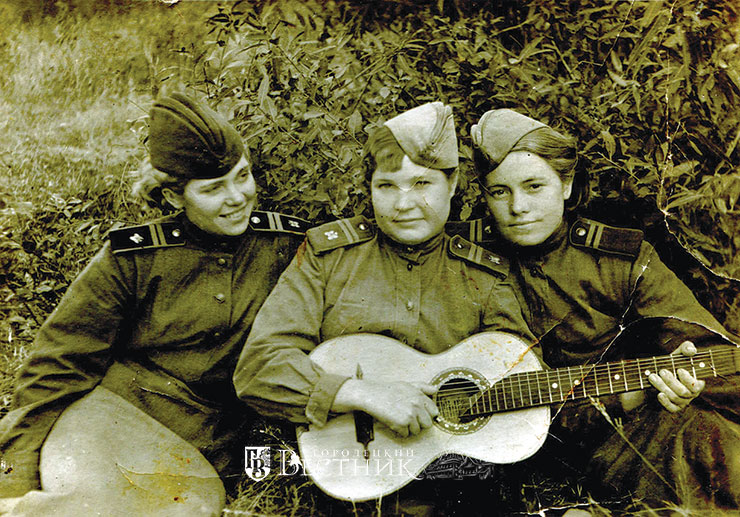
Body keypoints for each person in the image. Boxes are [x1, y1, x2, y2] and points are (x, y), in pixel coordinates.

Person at [0, 93, 309, 516]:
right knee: (182, 507)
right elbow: (58, 363)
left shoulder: (286, 245)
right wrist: (13, 474)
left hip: (211, 441)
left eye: (242, 176)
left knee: (188, 503)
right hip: (116, 415)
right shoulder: (133, 259)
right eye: (213, 189)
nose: (237, 197)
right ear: (175, 197)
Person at [233, 102, 534, 514]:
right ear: (369, 188)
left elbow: (521, 375)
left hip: (457, 489)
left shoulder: (485, 275)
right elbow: (258, 368)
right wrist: (360, 394)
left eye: (422, 184)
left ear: (452, 183)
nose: (403, 204)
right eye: (387, 186)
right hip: (344, 482)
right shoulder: (329, 258)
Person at [463, 108, 740, 512]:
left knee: (705, 433)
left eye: (534, 186)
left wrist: (684, 377)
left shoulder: (617, 260)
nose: (518, 206)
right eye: (499, 192)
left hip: (613, 438)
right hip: (496, 448)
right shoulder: (460, 258)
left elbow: (703, 344)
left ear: (566, 185)